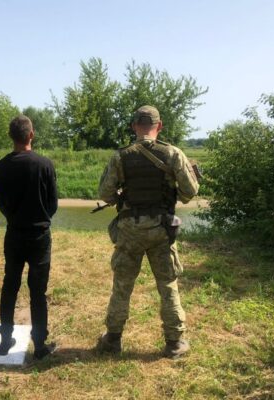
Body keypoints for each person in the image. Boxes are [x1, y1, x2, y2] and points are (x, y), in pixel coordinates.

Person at [97, 105, 199, 359]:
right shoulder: (173, 154)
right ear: (159, 126)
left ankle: (112, 340)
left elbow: (105, 193)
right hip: (162, 229)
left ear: (134, 126)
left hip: (130, 229)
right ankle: (174, 342)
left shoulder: (121, 156)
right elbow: (189, 193)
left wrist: (121, 196)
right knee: (168, 285)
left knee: (122, 285)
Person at [0, 115, 58, 359]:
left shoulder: (1, 166)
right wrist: (41, 217)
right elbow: (53, 203)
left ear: (11, 136)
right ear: (31, 135)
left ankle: (5, 340)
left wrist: (14, 218)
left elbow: (2, 203)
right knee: (37, 291)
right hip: (39, 235)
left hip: (14, 233)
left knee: (10, 285)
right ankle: (39, 345)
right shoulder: (44, 164)